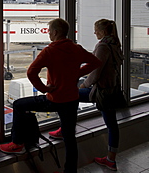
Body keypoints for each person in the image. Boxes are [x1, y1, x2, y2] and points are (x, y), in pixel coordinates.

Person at [0, 18, 101, 173]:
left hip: (55, 98)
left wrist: (44, 88)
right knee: (70, 139)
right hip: (72, 99)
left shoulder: (50, 51)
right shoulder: (76, 48)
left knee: (19, 105)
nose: (48, 34)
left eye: (49, 31)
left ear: (55, 32)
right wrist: (76, 74)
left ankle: (17, 143)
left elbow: (31, 72)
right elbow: (95, 62)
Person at [49, 19, 124, 171]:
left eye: (96, 30)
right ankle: (111, 159)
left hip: (101, 91)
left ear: (102, 32)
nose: (94, 33)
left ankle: (65, 129)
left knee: (72, 95)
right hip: (112, 89)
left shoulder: (103, 46)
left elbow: (96, 72)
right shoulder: (115, 43)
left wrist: (83, 84)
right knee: (112, 125)